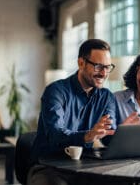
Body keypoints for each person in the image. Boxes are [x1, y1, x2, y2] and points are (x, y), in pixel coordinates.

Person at [27, 39, 118, 185]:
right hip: (48, 166)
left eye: (108, 67)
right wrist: (88, 136)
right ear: (81, 63)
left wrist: (124, 133)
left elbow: (108, 137)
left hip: (86, 166)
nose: (104, 73)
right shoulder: (56, 91)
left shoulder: (107, 97)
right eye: (98, 66)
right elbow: (55, 135)